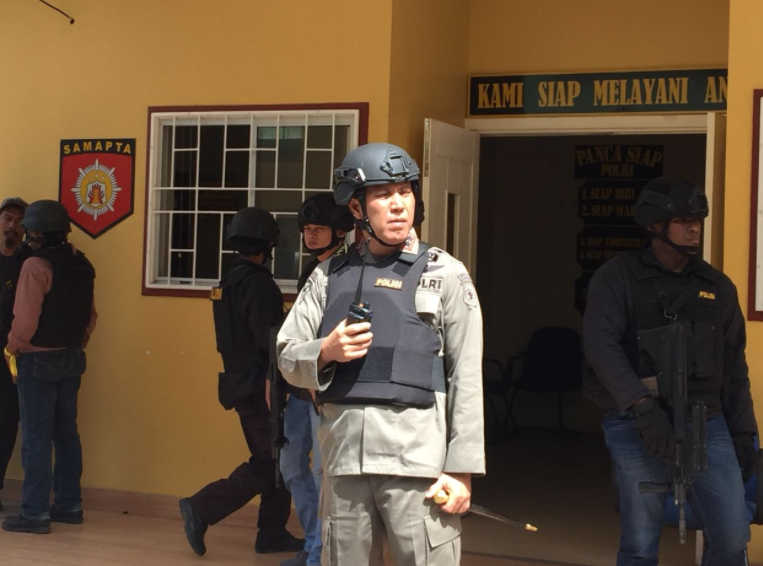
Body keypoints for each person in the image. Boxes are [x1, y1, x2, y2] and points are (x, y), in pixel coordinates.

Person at [278, 142, 485, 565]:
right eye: (383, 194)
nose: (398, 205)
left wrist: (460, 469)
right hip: (344, 467)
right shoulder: (327, 276)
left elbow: (466, 376)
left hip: (419, 470)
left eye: (405, 192)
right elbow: (287, 355)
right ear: (357, 208)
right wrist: (325, 351)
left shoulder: (445, 273)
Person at [583, 177, 757, 566]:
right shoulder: (617, 277)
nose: (694, 229)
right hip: (636, 424)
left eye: (697, 220)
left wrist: (745, 432)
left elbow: (734, 367)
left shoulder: (718, 287)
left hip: (705, 422)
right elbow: (601, 347)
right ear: (654, 224)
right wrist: (644, 409)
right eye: (682, 220)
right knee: (640, 543)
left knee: (732, 536)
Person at [179, 207, 303, 557]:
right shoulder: (258, 283)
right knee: (272, 461)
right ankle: (202, 507)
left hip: (240, 383)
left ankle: (272, 533)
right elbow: (269, 340)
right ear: (268, 244)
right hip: (261, 385)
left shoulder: (228, 282)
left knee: (275, 458)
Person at [1, 200, 97, 534]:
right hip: (72, 357)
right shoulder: (82, 262)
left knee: (36, 438)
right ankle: (69, 505)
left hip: (37, 359)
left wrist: (11, 347)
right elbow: (90, 316)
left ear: (36, 232)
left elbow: (26, 320)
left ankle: (35, 513)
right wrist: (77, 343)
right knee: (66, 434)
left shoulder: (35, 265)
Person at [279, 193, 354, 566]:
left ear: (339, 231)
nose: (310, 235)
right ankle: (312, 545)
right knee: (291, 467)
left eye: (318, 228)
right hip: (298, 391)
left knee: (323, 475)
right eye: (306, 228)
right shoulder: (310, 271)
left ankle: (319, 556)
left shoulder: (349, 272)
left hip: (326, 392)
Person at [0, 197, 28, 511]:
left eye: (19, 221)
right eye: (7, 218)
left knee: (6, 421)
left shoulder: (29, 263)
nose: (12, 226)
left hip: (12, 357)